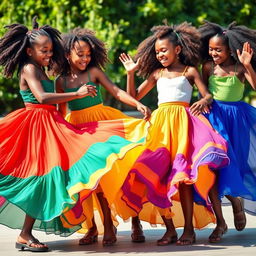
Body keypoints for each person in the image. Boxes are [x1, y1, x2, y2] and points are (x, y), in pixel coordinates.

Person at [0, 17, 148, 252]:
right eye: (44, 50)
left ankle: (28, 233)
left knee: (56, 177)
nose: (49, 54)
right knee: (42, 178)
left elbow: (57, 107)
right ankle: (26, 234)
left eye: (50, 50)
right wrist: (77, 95)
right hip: (36, 126)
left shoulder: (41, 68)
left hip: (50, 124)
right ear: (29, 51)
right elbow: (42, 98)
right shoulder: (29, 68)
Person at [118, 22, 230, 245]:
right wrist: (131, 74)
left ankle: (188, 230)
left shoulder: (189, 71)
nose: (160, 55)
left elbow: (207, 95)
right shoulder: (157, 73)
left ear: (177, 50)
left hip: (183, 127)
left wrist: (202, 100)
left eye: (164, 50)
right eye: (157, 51)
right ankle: (169, 229)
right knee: (155, 176)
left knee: (183, 178)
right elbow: (134, 96)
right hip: (160, 128)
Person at [55, 28, 151, 246]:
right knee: (86, 181)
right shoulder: (61, 81)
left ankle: (132, 220)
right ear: (68, 53)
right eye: (80, 54)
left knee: (122, 172)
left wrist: (137, 103)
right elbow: (61, 112)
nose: (85, 58)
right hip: (78, 131)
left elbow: (116, 92)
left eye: (88, 54)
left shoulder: (94, 72)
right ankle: (94, 226)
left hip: (102, 125)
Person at [199, 21, 256, 242]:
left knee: (234, 167)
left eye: (218, 50)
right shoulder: (207, 67)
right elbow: (204, 92)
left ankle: (236, 203)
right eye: (211, 49)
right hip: (213, 120)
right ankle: (220, 222)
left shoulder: (239, 68)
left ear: (230, 50)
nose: (213, 53)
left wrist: (248, 65)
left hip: (237, 122)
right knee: (213, 169)